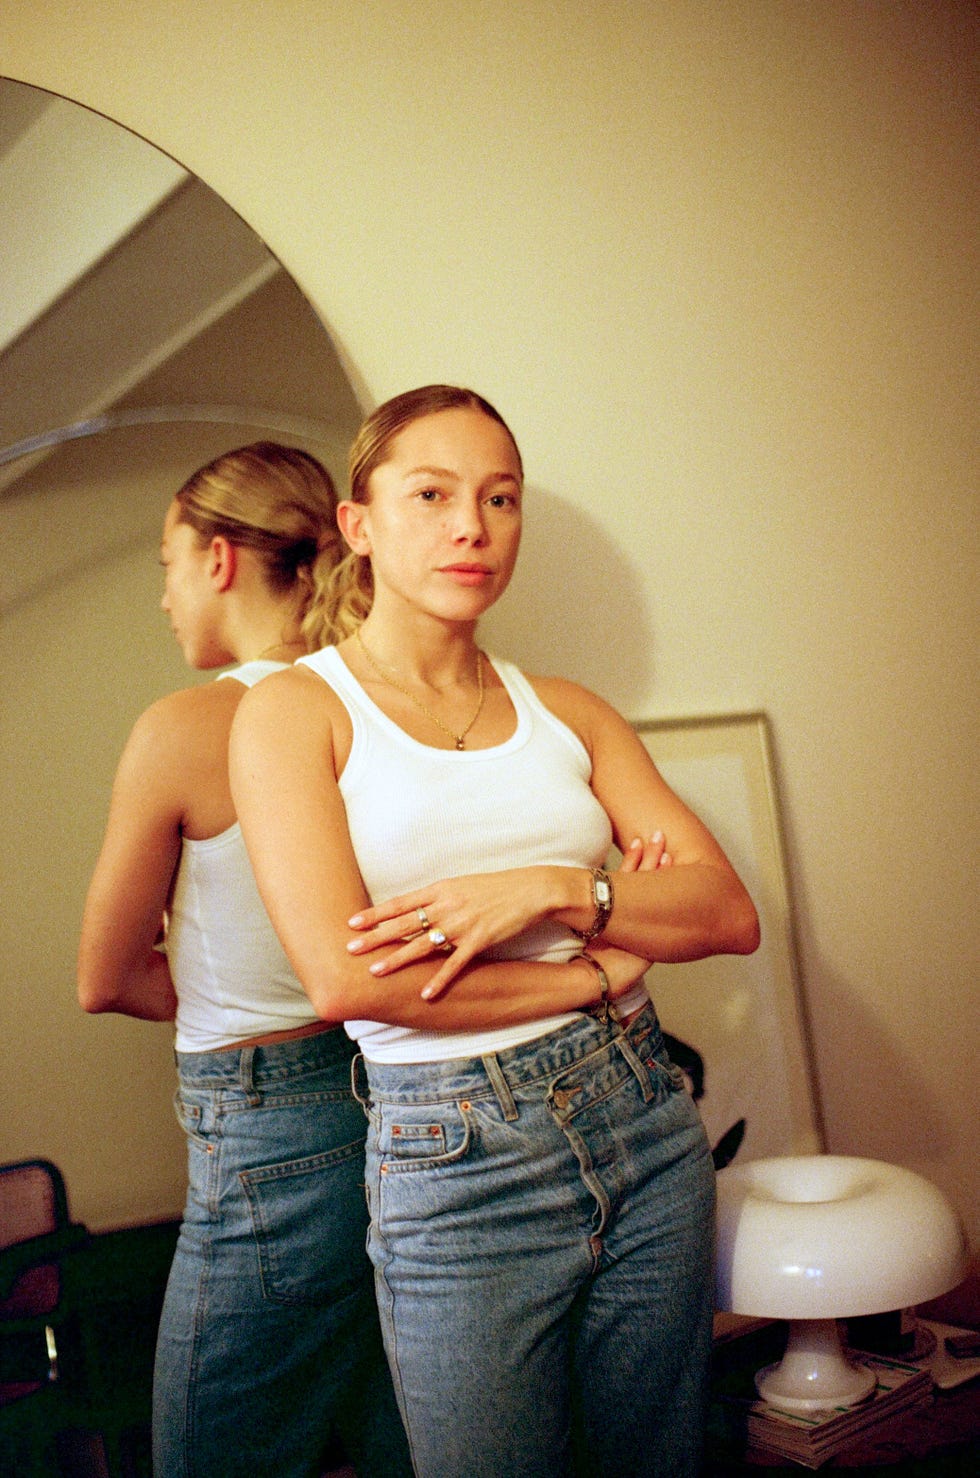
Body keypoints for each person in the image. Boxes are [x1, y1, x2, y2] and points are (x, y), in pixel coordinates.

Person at [229, 388, 761, 1478]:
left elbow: (724, 911)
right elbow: (347, 982)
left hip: (645, 1122)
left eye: (499, 497)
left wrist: (558, 890)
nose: (471, 526)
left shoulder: (568, 710)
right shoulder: (295, 711)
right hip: (456, 1163)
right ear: (358, 523)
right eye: (431, 495)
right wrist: (599, 971)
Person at [76, 443, 413, 1478]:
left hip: (271, 1135)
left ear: (219, 559)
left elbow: (104, 977)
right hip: (405, 1103)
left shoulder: (188, 727)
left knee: (209, 1454)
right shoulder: (384, 707)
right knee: (402, 1432)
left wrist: (218, 982)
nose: (165, 597)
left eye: (167, 566)